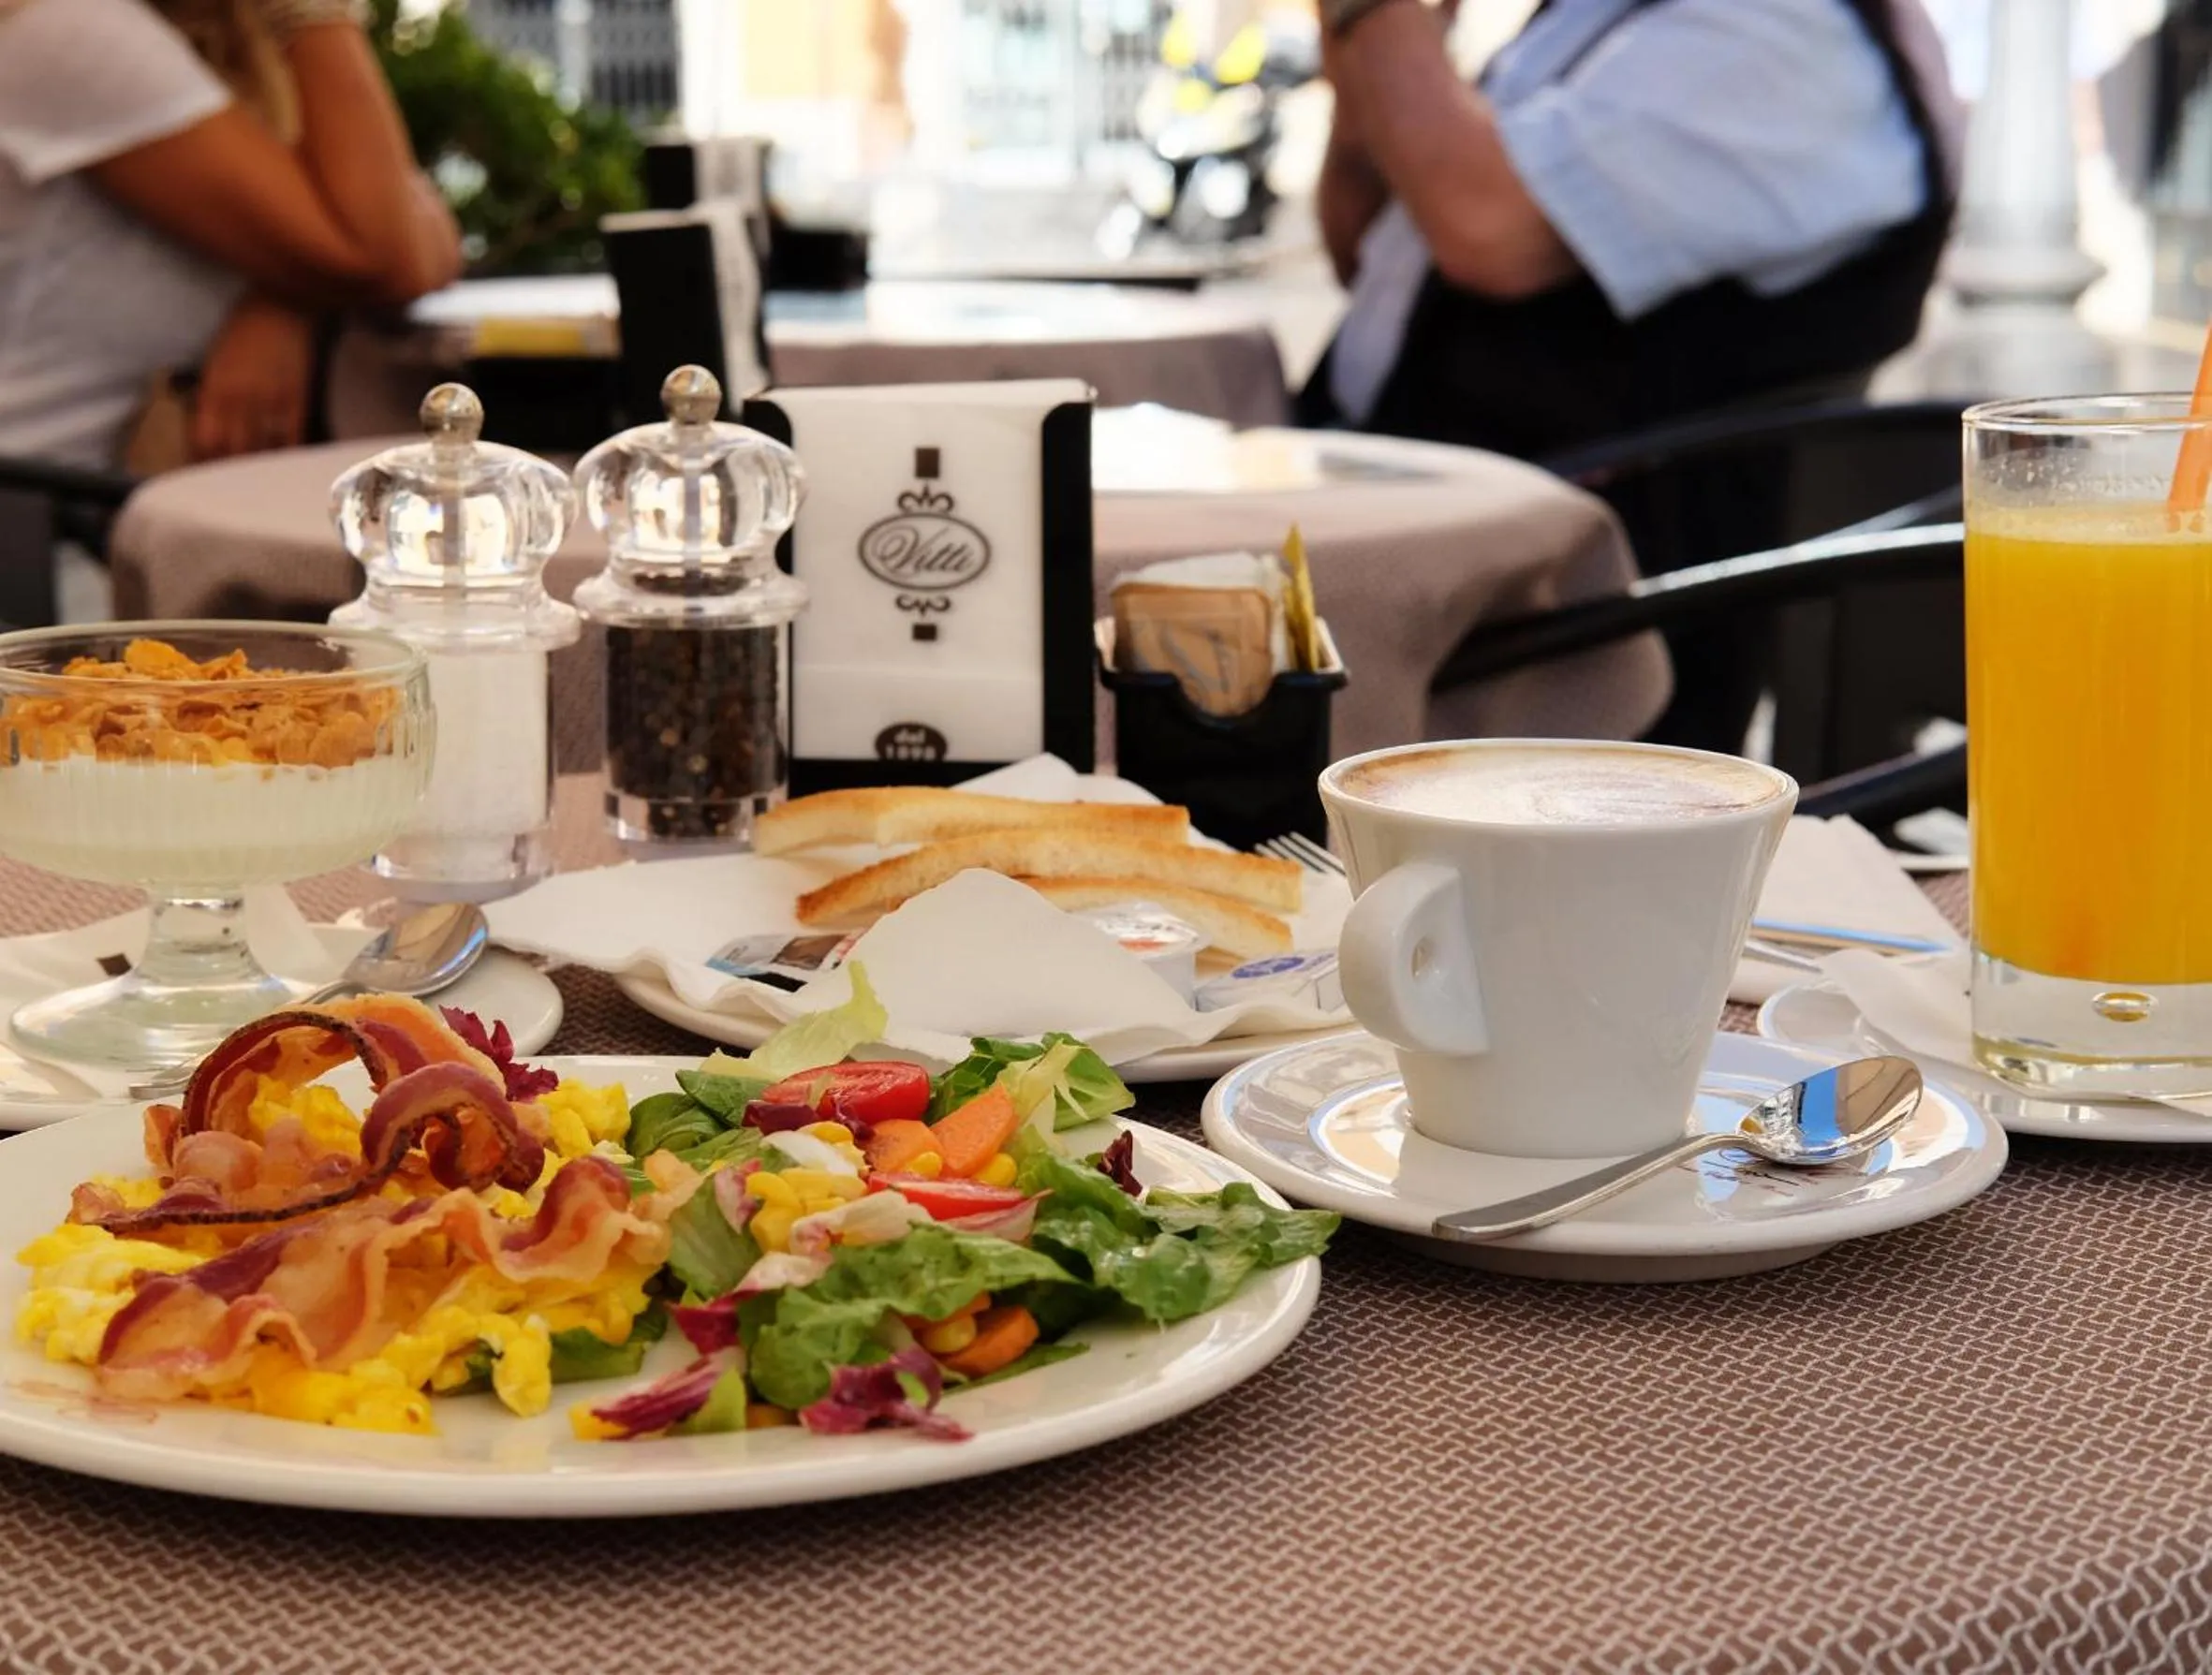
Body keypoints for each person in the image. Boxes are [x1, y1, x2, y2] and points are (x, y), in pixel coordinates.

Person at [1302, 0, 1963, 459]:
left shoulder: (1790, 32)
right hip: (1418, 494)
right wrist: (1374, 54)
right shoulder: (1602, 21)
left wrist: (1374, 13)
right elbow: (1360, 251)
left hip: (1569, 597)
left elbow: (1483, 231)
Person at [0, 0, 462, 470]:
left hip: (96, 506)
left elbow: (425, 240)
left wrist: (287, 296)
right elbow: (383, 253)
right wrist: (314, 10)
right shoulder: (69, 31)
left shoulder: (211, 46)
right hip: (38, 509)